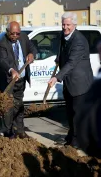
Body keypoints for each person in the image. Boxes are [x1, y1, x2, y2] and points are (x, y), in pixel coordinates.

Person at [48, 12, 93, 148]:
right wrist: (58, 58)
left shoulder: (79, 40)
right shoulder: (64, 36)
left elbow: (72, 62)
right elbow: (62, 52)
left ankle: (78, 141)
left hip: (79, 82)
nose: (65, 27)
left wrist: (57, 77)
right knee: (69, 111)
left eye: (68, 24)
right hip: (69, 82)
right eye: (63, 24)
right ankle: (72, 135)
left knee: (78, 113)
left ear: (74, 25)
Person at [0, 21, 37, 139]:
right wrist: (11, 70)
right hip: (7, 80)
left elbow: (33, 48)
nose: (15, 36)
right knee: (8, 106)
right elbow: (2, 61)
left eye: (17, 34)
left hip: (21, 79)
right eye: (12, 34)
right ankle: (8, 132)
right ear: (7, 32)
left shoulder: (23, 37)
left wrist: (32, 54)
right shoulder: (1, 43)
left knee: (19, 104)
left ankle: (20, 130)